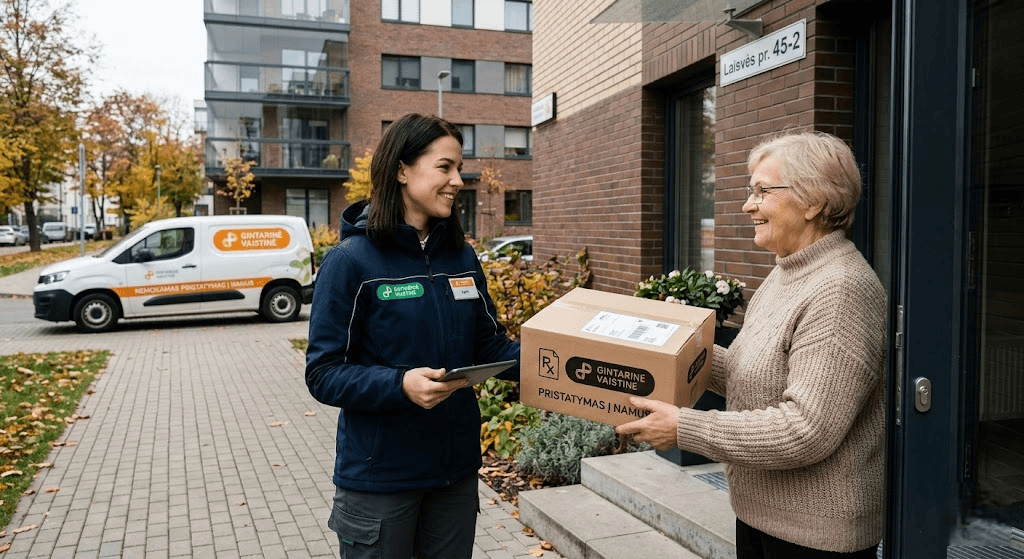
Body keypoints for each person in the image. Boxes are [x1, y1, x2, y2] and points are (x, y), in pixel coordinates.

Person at [617, 131, 886, 558]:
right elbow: (752, 370)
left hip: (814, 537)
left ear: (813, 201)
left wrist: (686, 427)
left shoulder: (841, 290)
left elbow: (806, 430)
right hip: (760, 515)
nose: (748, 205)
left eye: (762, 191)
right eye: (750, 191)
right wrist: (680, 343)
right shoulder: (786, 273)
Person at [305, 113, 520, 559]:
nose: (458, 181)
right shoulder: (351, 262)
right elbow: (324, 373)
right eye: (445, 167)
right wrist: (399, 384)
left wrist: (558, 358)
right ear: (402, 170)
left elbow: (490, 345)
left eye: (459, 168)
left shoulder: (461, 257)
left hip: (454, 476)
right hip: (380, 481)